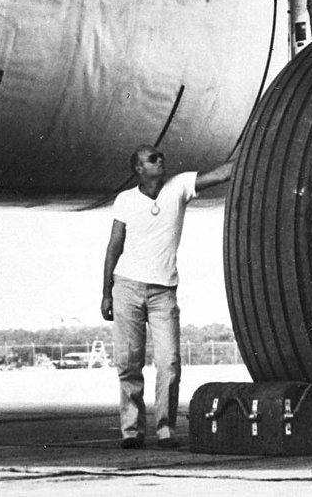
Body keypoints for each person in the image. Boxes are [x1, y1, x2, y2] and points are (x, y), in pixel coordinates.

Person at [100, 145, 234, 450]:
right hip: (127, 287)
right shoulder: (126, 200)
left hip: (163, 292)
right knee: (129, 363)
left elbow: (222, 172)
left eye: (160, 156)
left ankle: (165, 429)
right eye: (152, 158)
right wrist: (106, 293)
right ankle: (131, 430)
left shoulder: (179, 186)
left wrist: (260, 142)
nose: (161, 159)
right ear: (139, 169)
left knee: (170, 361)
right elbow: (113, 247)